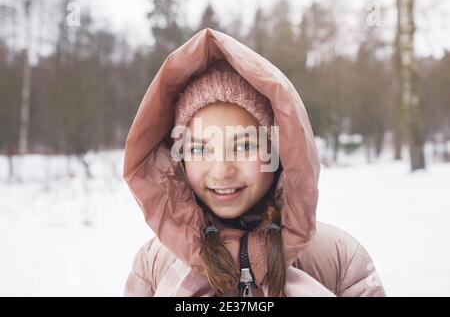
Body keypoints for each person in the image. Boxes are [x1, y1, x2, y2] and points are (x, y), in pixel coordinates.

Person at [122, 28, 386, 297]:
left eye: (244, 146)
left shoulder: (341, 260)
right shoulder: (153, 266)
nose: (222, 171)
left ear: (278, 151)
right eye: (200, 149)